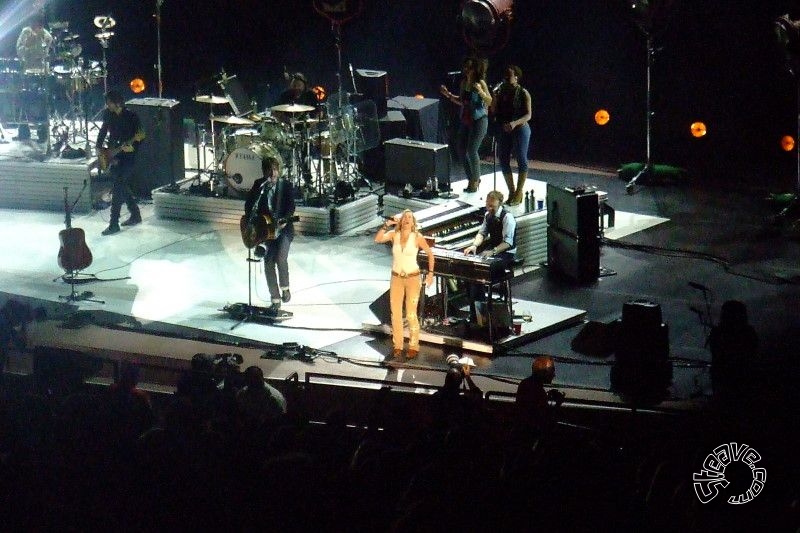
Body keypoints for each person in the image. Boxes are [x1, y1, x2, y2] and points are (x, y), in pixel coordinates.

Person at [374, 209, 435, 360]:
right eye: (405, 217)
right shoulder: (394, 235)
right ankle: (398, 346)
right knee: (395, 314)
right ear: (400, 221)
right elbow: (378, 239)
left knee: (410, 313)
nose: (407, 219)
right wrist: (387, 224)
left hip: (413, 278)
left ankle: (414, 345)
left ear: (413, 222)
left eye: (410, 217)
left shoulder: (417, 237)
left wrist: (430, 273)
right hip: (396, 278)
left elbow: (430, 254)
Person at [244, 156, 296, 314]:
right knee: (268, 262)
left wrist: (285, 220)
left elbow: (291, 206)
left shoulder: (285, 185)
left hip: (284, 229)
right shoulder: (258, 185)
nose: (273, 175)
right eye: (270, 172)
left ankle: (285, 288)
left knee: (281, 257)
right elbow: (248, 207)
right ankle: (275, 299)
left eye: (275, 171)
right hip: (267, 231)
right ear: (264, 172)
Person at [439, 57, 492, 193]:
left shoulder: (480, 83)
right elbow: (462, 101)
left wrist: (480, 91)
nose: (466, 70)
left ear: (474, 69)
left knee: (472, 149)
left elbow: (489, 101)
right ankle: (471, 178)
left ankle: (476, 179)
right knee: (461, 149)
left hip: (479, 119)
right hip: (466, 119)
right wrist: (448, 95)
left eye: (469, 68)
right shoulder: (464, 83)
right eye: (465, 68)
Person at [463, 190, 516, 324]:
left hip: (506, 253)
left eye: (492, 206)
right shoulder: (488, 215)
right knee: (470, 271)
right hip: (493, 251)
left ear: (500, 204)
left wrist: (492, 252)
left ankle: (481, 313)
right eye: (488, 205)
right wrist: (474, 245)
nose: (489, 208)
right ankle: (475, 310)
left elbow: (508, 243)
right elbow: (482, 233)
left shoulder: (507, 218)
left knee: (481, 272)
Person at [97, 90, 145, 236]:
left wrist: (132, 147)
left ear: (117, 102)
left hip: (129, 156)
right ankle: (135, 214)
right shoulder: (108, 114)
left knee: (118, 187)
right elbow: (103, 131)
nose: (107, 105)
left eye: (109, 103)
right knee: (121, 185)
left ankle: (114, 224)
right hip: (114, 154)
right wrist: (99, 147)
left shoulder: (132, 116)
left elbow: (141, 136)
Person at [490, 65, 532, 206]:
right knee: (503, 158)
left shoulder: (523, 93)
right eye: (505, 76)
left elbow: (528, 115)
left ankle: (519, 192)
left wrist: (515, 123)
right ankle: (512, 191)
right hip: (504, 127)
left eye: (510, 76)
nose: (507, 78)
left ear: (517, 77)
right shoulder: (501, 92)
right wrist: (494, 97)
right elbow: (494, 111)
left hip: (520, 127)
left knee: (521, 157)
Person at [514, 355, 565, 437]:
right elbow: (544, 419)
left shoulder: (526, 384)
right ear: (543, 373)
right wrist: (558, 403)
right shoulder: (536, 390)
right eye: (551, 372)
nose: (553, 375)